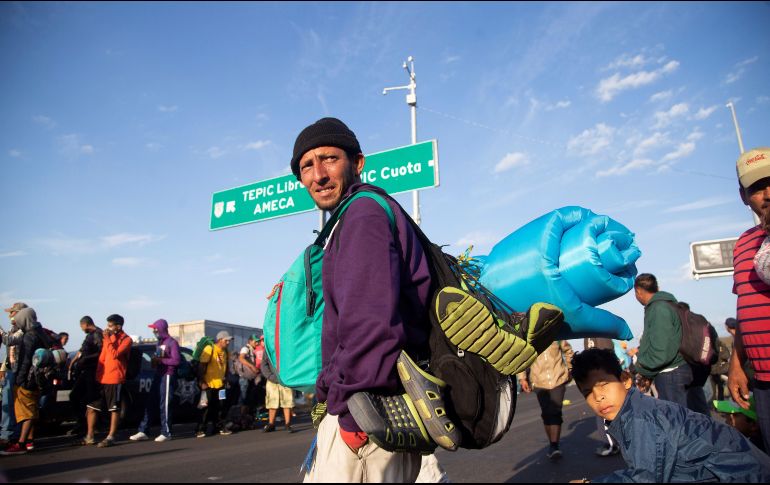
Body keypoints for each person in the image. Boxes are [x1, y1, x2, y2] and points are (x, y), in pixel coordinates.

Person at [293, 118, 431, 482]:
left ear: (357, 163)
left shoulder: (363, 213)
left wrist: (355, 417)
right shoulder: (358, 214)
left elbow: (370, 325)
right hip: (367, 406)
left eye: (329, 159)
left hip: (369, 413)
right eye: (307, 166)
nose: (318, 174)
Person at [569, 348, 770, 483]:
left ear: (625, 380)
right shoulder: (636, 410)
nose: (598, 397)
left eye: (604, 385)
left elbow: (645, 479)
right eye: (587, 392)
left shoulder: (640, 418)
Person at [730, 147, 770, 454]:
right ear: (744, 197)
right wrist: (737, 364)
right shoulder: (744, 243)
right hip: (762, 377)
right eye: (757, 187)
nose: (768, 193)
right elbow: (744, 306)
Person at [633, 273, 708, 415]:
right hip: (685, 369)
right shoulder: (671, 305)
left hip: (672, 375)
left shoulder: (658, 309)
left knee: (680, 423)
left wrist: (642, 370)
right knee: (698, 420)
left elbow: (660, 352)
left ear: (638, 292)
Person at [1, 307, 47, 455]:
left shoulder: (29, 336)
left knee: (26, 411)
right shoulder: (41, 333)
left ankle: (20, 443)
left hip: (27, 378)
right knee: (31, 409)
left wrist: (19, 379)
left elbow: (26, 360)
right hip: (37, 378)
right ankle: (27, 441)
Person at [517, 340, 574, 461]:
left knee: (555, 412)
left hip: (558, 379)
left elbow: (568, 350)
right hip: (538, 382)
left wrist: (570, 368)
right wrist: (522, 379)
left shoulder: (557, 337)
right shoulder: (530, 340)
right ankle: (552, 443)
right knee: (546, 414)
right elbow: (522, 358)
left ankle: (554, 445)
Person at [85, 314, 132, 448]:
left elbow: (115, 354)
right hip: (102, 378)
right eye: (107, 325)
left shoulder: (126, 340)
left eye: (110, 326)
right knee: (92, 406)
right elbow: (103, 357)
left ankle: (111, 436)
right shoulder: (108, 338)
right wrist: (98, 375)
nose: (108, 328)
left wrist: (108, 339)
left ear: (118, 326)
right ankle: (90, 435)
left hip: (115, 378)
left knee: (114, 408)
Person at [130, 319, 180, 442]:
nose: (154, 331)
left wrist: (161, 361)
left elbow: (176, 361)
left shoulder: (172, 343)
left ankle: (166, 432)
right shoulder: (159, 343)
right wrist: (154, 361)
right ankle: (143, 430)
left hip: (168, 375)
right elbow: (158, 358)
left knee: (165, 404)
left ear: (161, 329)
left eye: (155, 329)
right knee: (151, 402)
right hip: (158, 374)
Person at [67, 316, 103, 438]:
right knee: (75, 396)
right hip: (85, 371)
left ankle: (90, 427)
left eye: (81, 326)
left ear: (86, 324)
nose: (81, 329)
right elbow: (82, 350)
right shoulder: (89, 335)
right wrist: (73, 362)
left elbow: (101, 352)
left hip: (93, 371)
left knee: (91, 400)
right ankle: (81, 423)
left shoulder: (97, 334)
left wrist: (85, 359)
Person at [196, 331, 232, 438]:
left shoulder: (225, 351)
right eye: (226, 340)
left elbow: (226, 366)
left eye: (229, 340)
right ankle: (200, 429)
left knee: (221, 406)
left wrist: (226, 378)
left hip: (220, 385)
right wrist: (202, 382)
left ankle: (219, 427)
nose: (228, 342)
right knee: (204, 407)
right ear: (220, 340)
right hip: (208, 384)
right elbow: (201, 366)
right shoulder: (209, 349)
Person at [0, 302, 26, 447]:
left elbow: (8, 341)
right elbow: (10, 352)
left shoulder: (23, 330)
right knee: (7, 402)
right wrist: (3, 368)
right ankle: (7, 432)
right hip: (11, 370)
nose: (10, 315)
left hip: (17, 372)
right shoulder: (14, 328)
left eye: (12, 312)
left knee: (12, 403)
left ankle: (9, 434)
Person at [260, 354, 295, 433]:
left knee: (287, 401)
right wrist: (270, 376)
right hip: (272, 379)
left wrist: (289, 375)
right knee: (272, 402)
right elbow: (264, 364)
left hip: (285, 379)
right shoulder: (268, 346)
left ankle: (287, 424)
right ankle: (271, 423)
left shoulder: (287, 344)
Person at [235, 334, 261, 418]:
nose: (257, 343)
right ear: (250, 341)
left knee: (248, 397)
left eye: (257, 341)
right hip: (244, 378)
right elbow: (241, 358)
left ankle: (246, 416)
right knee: (243, 397)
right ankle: (240, 416)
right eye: (255, 341)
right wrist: (252, 366)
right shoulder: (245, 348)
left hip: (250, 377)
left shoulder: (253, 350)